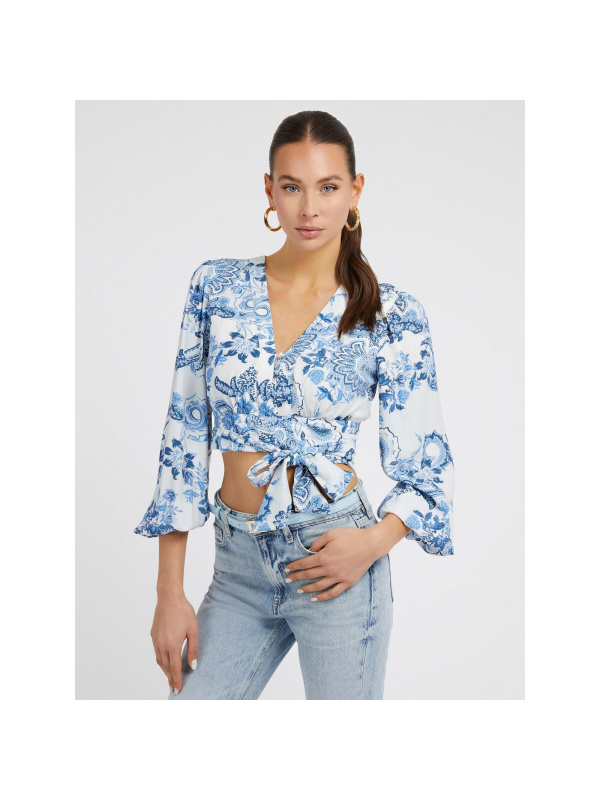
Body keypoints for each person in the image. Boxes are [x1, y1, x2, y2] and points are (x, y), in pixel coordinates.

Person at [133, 109, 455, 700]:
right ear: (269, 190)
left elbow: (427, 465)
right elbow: (184, 435)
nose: (309, 209)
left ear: (355, 191)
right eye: (292, 187)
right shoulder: (216, 287)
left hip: (336, 561)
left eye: (328, 187)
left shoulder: (391, 313)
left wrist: (370, 544)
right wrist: (169, 592)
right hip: (237, 567)